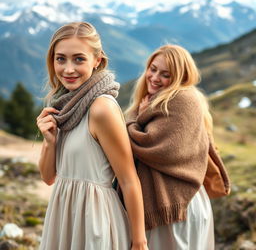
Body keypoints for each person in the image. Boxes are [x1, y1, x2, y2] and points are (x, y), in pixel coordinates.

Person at [36, 22, 148, 250]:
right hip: (64, 216)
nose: (68, 69)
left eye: (79, 59)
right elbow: (49, 178)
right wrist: (50, 141)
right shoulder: (62, 107)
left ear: (97, 60)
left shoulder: (101, 109)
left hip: (94, 221)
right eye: (61, 59)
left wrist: (139, 242)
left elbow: (128, 179)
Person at [125, 44, 230, 250]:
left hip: (176, 207)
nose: (154, 78)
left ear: (181, 78)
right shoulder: (157, 102)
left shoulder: (181, 100)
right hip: (173, 205)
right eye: (153, 69)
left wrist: (134, 120)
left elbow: (153, 147)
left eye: (165, 74)